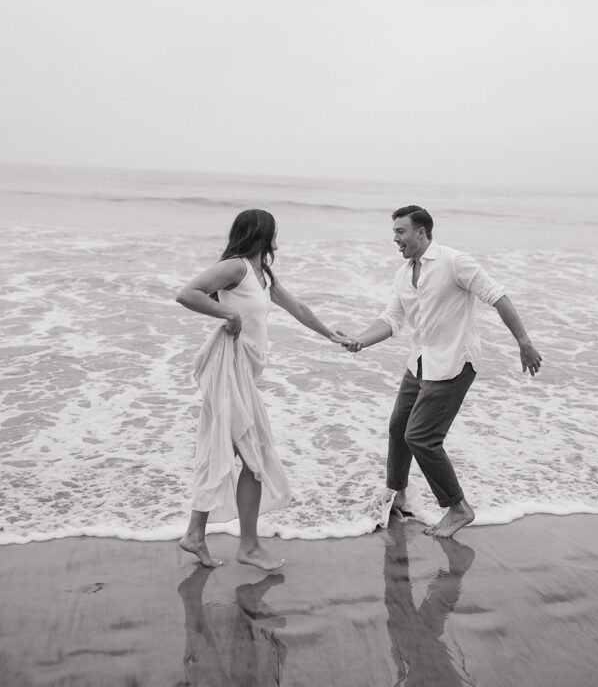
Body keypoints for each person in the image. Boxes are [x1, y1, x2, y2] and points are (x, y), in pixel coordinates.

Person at [342, 205, 542, 538]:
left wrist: (524, 342)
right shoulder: (405, 273)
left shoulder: (454, 262)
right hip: (420, 362)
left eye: (400, 232)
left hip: (452, 364)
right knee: (398, 428)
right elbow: (392, 320)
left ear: (421, 232)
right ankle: (400, 494)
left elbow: (497, 296)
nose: (395, 238)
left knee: (421, 437)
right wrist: (360, 341)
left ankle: (458, 508)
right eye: (394, 232)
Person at [176, 208, 347, 570]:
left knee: (226, 453)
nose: (276, 240)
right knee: (252, 458)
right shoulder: (236, 267)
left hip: (245, 373)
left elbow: (296, 306)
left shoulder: (262, 273)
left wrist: (330, 333)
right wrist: (228, 315)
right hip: (228, 369)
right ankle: (248, 546)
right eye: (273, 233)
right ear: (262, 234)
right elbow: (188, 294)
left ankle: (196, 534)